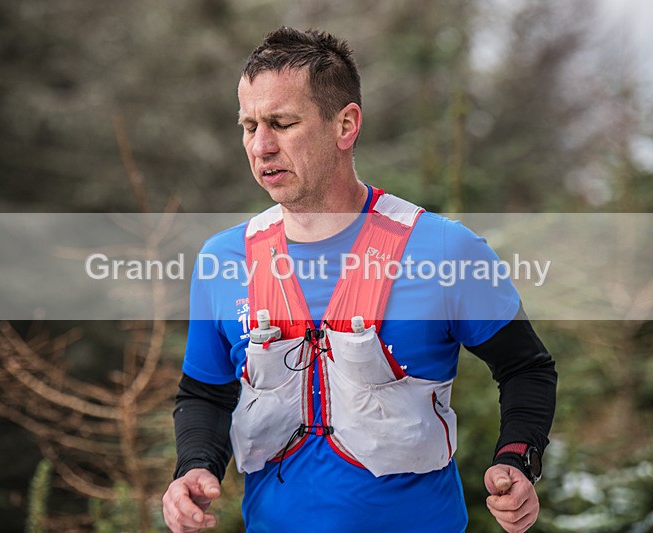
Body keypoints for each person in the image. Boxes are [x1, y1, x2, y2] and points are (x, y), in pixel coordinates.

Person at [163, 27, 557, 533]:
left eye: (282, 123)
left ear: (345, 124)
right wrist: (193, 468)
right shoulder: (223, 258)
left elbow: (526, 368)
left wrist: (517, 459)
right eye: (249, 125)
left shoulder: (443, 250)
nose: (261, 146)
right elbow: (205, 393)